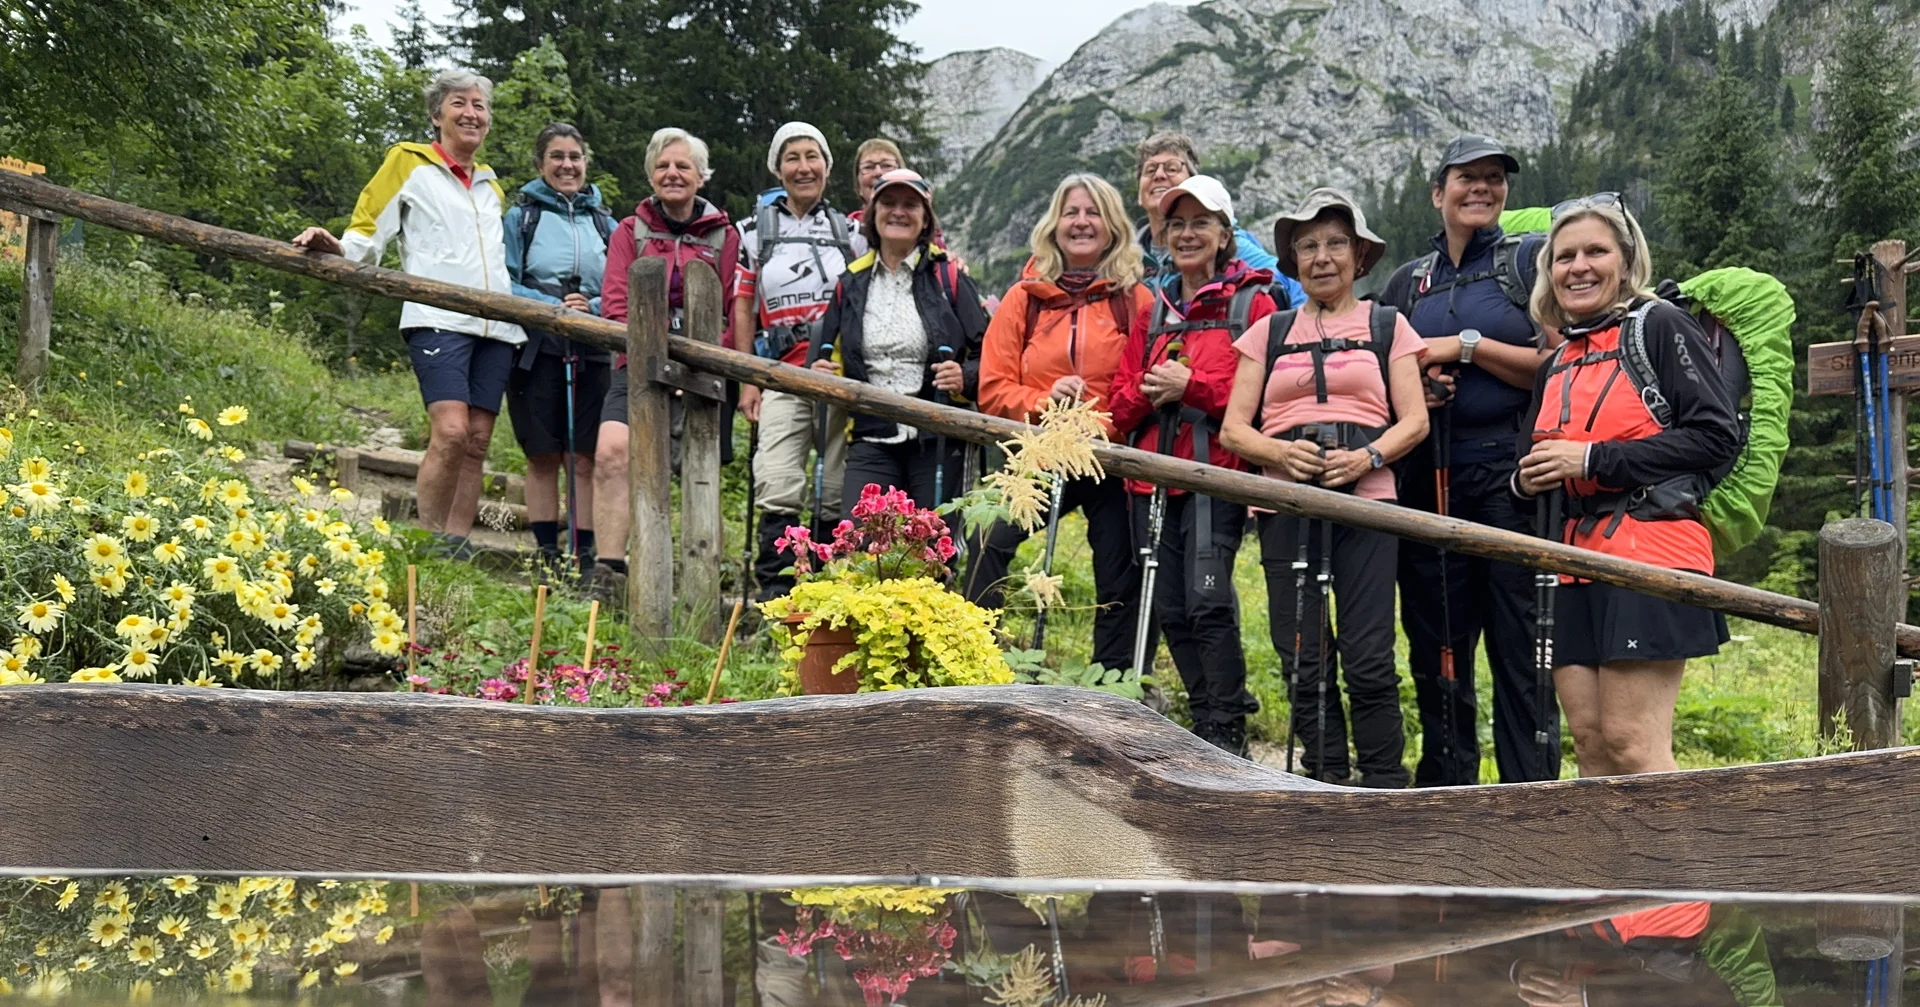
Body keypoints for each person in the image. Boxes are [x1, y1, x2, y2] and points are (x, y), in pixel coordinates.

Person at [1514, 194, 1738, 777]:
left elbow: (1716, 438)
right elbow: (1532, 461)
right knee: (1590, 742)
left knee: (1632, 744)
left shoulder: (1660, 325)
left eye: (1595, 251)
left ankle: (1674, 871)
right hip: (1570, 559)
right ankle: (1603, 873)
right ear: (1549, 272)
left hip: (1654, 548)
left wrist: (1592, 459)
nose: (1578, 266)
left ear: (1626, 259)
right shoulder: (1557, 359)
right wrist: (1525, 478)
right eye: (1564, 257)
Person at [1220, 187, 1429, 787]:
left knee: (1368, 654)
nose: (1322, 257)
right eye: (1308, 245)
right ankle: (1325, 779)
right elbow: (1236, 428)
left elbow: (1414, 421)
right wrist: (1282, 452)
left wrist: (1366, 456)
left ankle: (1385, 786)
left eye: (1336, 243)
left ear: (1359, 255)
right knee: (1302, 653)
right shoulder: (1269, 331)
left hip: (1368, 502)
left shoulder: (1389, 325)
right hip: (1287, 502)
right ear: (1293, 260)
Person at [1377, 135, 1562, 786]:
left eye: (1494, 179)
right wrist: (1420, 388)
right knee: (1439, 646)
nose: (1482, 188)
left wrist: (1467, 346)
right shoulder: (1408, 283)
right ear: (1438, 193)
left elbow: (1561, 364)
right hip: (1428, 478)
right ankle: (1446, 793)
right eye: (1467, 178)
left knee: (1521, 649)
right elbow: (1387, 378)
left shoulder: (1529, 263)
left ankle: (1529, 799)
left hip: (1510, 482)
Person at [293, 69, 525, 556]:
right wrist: (337, 248)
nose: (471, 113)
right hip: (436, 317)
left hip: (498, 326)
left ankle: (455, 549)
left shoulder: (491, 186)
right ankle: (428, 538)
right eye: (459, 103)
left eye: (480, 106)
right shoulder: (408, 162)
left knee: (479, 439)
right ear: (436, 115)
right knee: (451, 430)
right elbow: (368, 228)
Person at [1108, 175, 1276, 756]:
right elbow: (1119, 400)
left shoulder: (1254, 303)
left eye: (1200, 223)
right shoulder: (1153, 310)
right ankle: (1206, 720)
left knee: (1207, 600)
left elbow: (1262, 395)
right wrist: (1155, 393)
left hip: (1216, 473)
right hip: (1151, 479)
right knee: (1172, 608)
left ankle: (1227, 727)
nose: (1186, 234)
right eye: (1175, 224)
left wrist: (1192, 386)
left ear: (1225, 233)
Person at [968, 173, 1151, 673]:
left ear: (1112, 226)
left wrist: (1102, 420)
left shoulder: (1136, 301)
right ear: (1055, 224)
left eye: (1093, 212)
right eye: (1072, 212)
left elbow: (1141, 381)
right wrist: (1044, 399)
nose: (1082, 222)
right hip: (1040, 450)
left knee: (1119, 571)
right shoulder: (1023, 299)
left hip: (1110, 456)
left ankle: (1109, 685)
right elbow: (992, 388)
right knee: (990, 541)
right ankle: (976, 655)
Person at [589, 127, 741, 599]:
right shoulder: (628, 231)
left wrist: (692, 369)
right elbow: (615, 304)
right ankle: (609, 573)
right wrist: (653, 366)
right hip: (635, 366)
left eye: (683, 166)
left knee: (702, 468)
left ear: (701, 176)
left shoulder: (723, 235)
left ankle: (704, 577)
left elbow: (734, 310)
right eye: (663, 166)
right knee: (613, 452)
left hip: (704, 372)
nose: (672, 174)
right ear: (651, 174)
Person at [736, 122, 866, 602]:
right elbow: (743, 305)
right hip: (779, 373)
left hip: (836, 375)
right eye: (792, 157)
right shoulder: (752, 231)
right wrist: (749, 378)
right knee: (777, 480)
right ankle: (777, 598)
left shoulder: (851, 233)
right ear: (777, 167)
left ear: (828, 168)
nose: (803, 167)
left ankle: (828, 597)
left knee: (835, 489)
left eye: (813, 156)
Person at [807, 169, 988, 513]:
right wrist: (821, 372)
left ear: (925, 220)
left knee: (933, 554)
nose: (898, 212)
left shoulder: (948, 276)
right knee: (861, 549)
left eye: (910, 205)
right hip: (871, 435)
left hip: (939, 437)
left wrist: (965, 376)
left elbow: (990, 353)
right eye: (888, 203)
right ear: (872, 216)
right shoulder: (851, 283)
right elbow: (828, 355)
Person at [502, 123, 615, 578]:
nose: (567, 165)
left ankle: (585, 555)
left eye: (575, 156)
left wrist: (592, 307)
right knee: (542, 451)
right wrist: (551, 307)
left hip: (593, 341)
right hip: (534, 343)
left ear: (585, 162)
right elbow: (503, 278)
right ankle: (548, 554)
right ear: (540, 163)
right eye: (557, 156)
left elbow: (620, 285)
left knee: (584, 453)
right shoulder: (520, 218)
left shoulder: (605, 220)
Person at [1132, 131, 1304, 308]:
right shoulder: (1126, 255)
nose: (1159, 175)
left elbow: (1292, 280)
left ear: (1193, 185)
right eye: (1150, 170)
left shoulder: (1232, 246)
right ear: (1139, 194)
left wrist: (1301, 330)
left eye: (1172, 168)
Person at [849, 138, 904, 222]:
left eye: (886, 165)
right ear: (858, 185)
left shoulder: (921, 228)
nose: (878, 172)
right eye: (868, 167)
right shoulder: (843, 231)